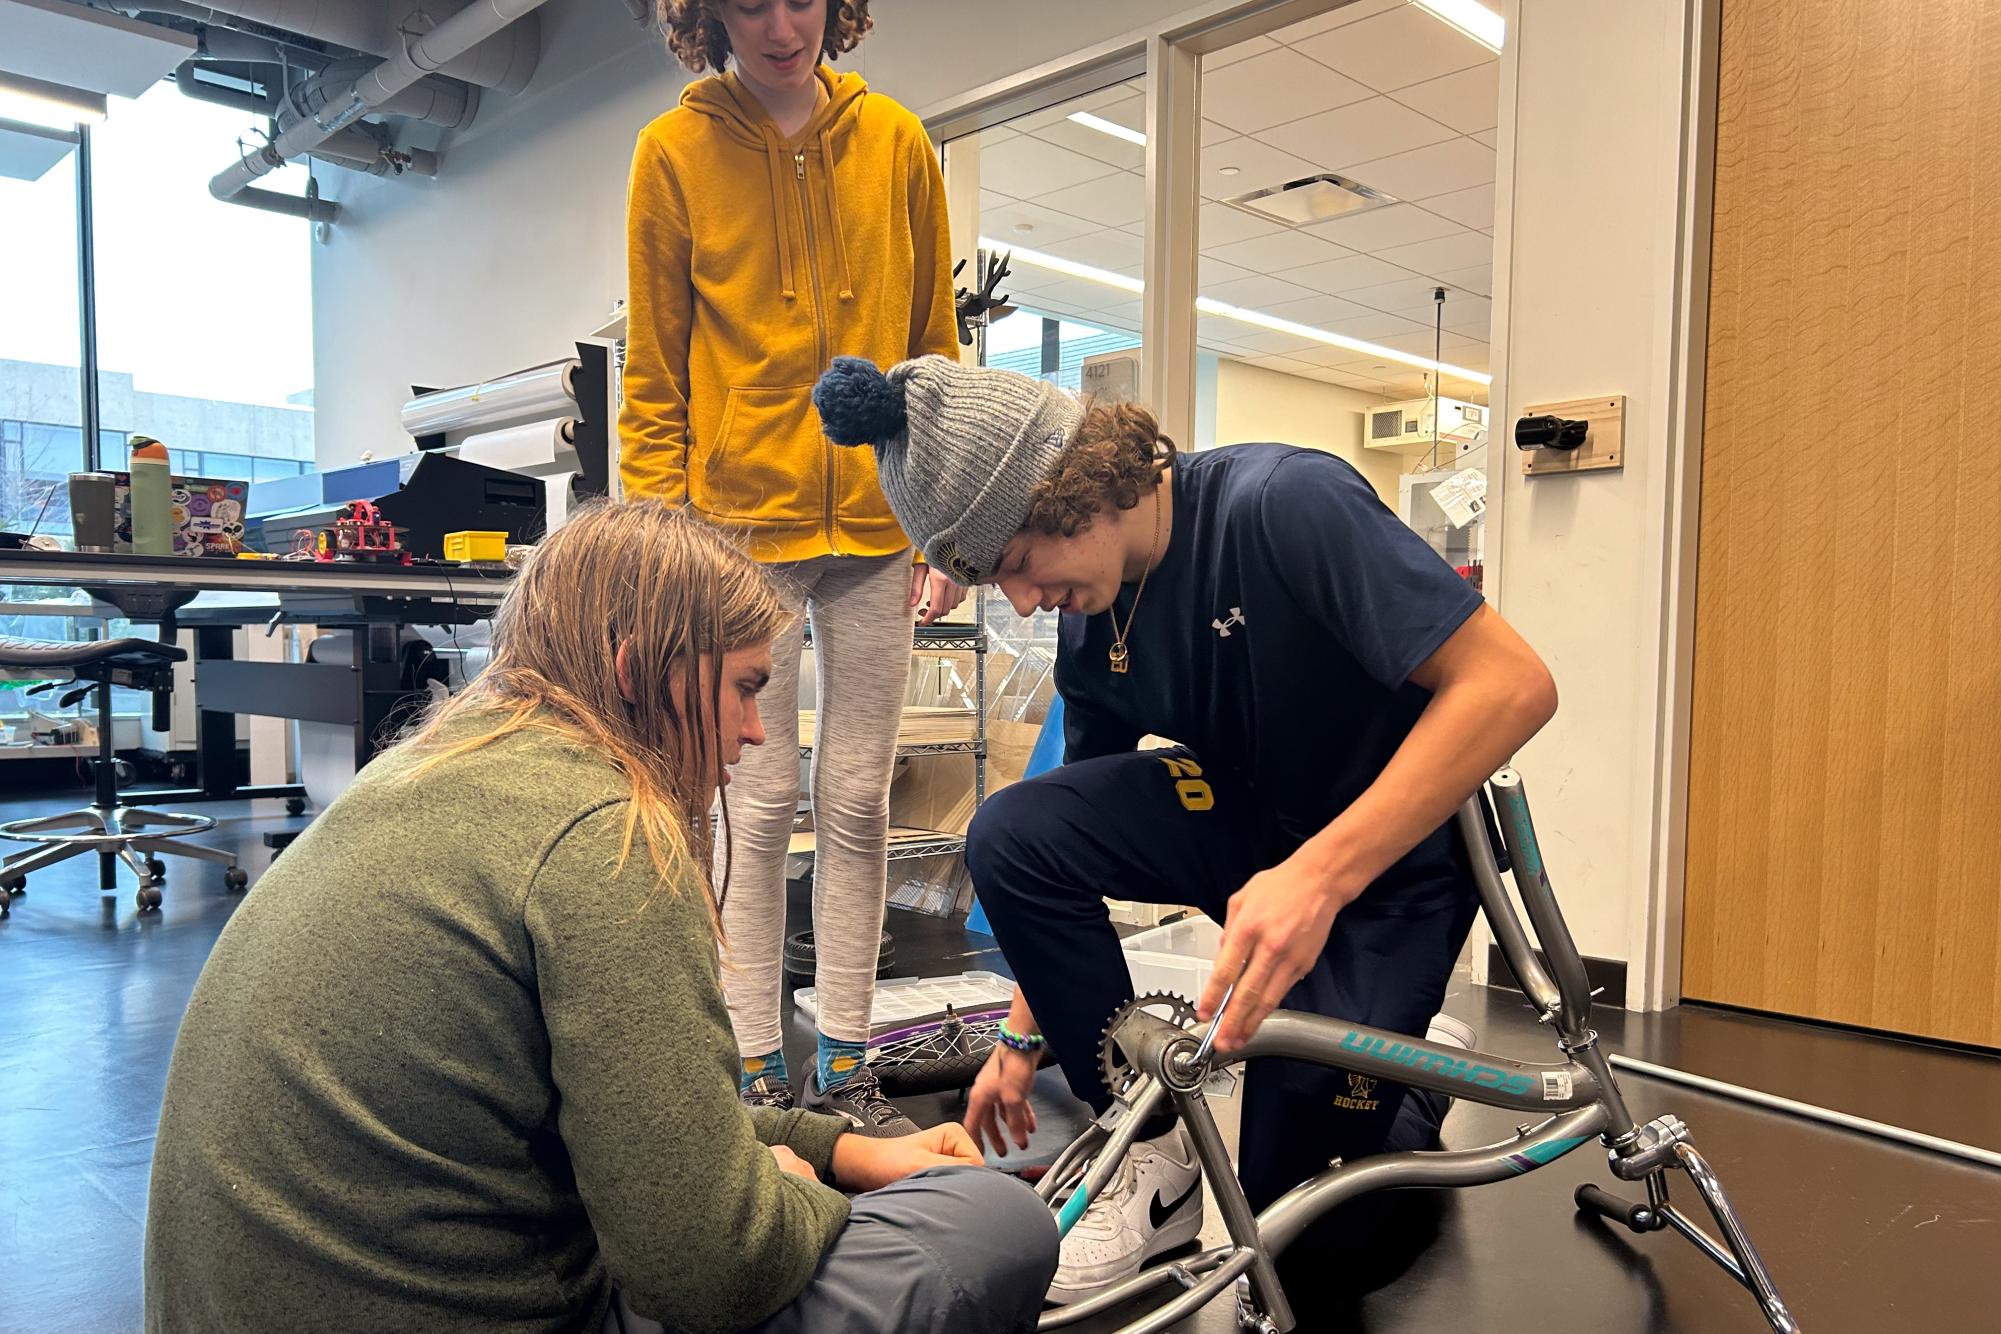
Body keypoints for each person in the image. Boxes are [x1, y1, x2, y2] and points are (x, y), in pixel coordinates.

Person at [141, 503, 1057, 1334]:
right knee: (995, 1223)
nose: (755, 730)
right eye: (745, 687)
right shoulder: (606, 835)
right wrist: (801, 1191)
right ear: (636, 670)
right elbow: (711, 1272)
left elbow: (643, 1120)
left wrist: (842, 1148)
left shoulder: (428, 768)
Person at [812, 354, 1558, 1304]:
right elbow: (1064, 829)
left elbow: (1511, 683)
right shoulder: (1095, 613)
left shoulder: (1286, 503)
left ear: (1064, 487)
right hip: (1252, 829)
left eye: (1015, 568)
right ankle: (1150, 1154)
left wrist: (1320, 878)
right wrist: (1022, 1036)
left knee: (1296, 1240)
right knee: (1010, 829)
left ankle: (1417, 1071)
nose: (1024, 603)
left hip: (1390, 867)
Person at [620, 0, 966, 1134]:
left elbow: (935, 348)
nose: (782, 25)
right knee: (754, 804)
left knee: (860, 796)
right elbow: (656, 374)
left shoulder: (900, 144)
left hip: (876, 522)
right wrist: (664, 551)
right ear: (706, 9)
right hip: (737, 536)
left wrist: (949, 518)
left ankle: (853, 1062)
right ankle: (757, 1068)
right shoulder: (672, 151)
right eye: (753, 0)